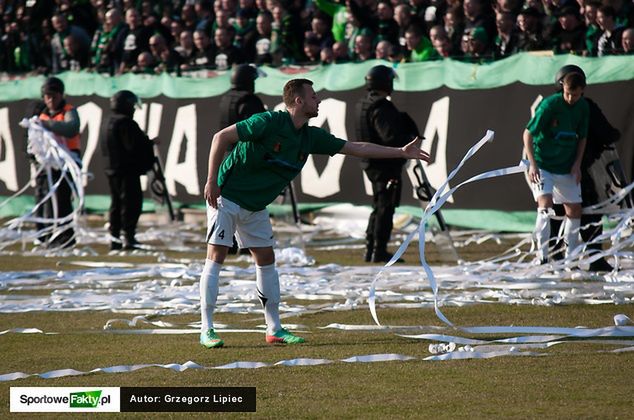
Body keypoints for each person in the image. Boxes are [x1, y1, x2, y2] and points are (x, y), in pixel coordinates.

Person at [200, 78, 429, 348]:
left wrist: (400, 152)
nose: (317, 100)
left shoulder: (310, 136)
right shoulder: (268, 121)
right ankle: (207, 329)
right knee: (217, 256)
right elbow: (221, 137)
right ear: (298, 101)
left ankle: (274, 329)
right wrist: (211, 180)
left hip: (256, 205)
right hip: (226, 196)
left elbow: (356, 148)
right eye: (313, 96)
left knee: (266, 259)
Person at [548, 65, 621, 272]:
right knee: (574, 210)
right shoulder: (555, 106)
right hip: (567, 168)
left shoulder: (581, 107)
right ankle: (578, 256)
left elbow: (605, 132)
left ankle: (567, 256)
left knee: (574, 211)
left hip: (575, 168)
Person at [355, 65, 421, 263]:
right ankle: (379, 250)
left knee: (378, 205)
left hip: (371, 163)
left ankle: (371, 248)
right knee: (385, 206)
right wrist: (408, 137)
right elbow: (390, 137)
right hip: (384, 165)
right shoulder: (382, 107)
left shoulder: (362, 103)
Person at [523, 71, 589, 265]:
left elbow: (582, 137)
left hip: (566, 166)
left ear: (582, 91)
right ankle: (542, 256)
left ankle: (571, 258)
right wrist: (532, 164)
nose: (570, 98)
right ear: (563, 88)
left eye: (575, 94)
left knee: (574, 209)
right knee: (545, 205)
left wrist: (577, 164)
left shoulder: (583, 107)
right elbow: (527, 134)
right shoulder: (550, 105)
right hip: (544, 164)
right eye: (568, 93)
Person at [218, 63, 267, 255]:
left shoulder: (225, 99)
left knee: (229, 203)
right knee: (246, 203)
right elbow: (258, 129)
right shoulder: (249, 100)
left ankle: (228, 243)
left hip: (227, 156)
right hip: (245, 157)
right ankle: (246, 243)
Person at [102, 90, 155, 250]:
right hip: (126, 171)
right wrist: (148, 144)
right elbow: (133, 147)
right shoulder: (126, 123)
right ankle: (128, 237)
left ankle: (115, 237)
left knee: (116, 204)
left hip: (112, 170)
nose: (133, 109)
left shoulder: (108, 121)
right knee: (130, 204)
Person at [35, 77, 81, 248]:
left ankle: (65, 235)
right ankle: (47, 234)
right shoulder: (43, 114)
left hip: (67, 163)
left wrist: (47, 124)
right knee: (46, 199)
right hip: (48, 165)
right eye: (47, 96)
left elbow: (71, 128)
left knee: (62, 199)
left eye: (53, 96)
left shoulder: (68, 111)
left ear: (61, 95)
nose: (50, 100)